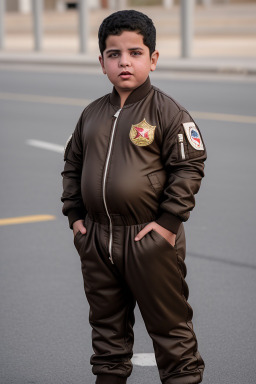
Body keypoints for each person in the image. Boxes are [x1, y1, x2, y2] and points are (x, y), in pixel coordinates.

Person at [61, 9, 206, 384]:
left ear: (153, 59)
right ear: (102, 62)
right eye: (114, 54)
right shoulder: (91, 114)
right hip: (96, 240)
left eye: (135, 53)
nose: (124, 62)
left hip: (148, 240)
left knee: (172, 336)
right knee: (107, 336)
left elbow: (189, 168)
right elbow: (72, 166)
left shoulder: (168, 112)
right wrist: (76, 217)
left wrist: (167, 225)